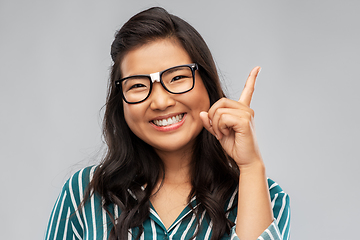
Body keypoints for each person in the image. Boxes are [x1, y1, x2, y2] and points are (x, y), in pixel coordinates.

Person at [45, 7, 290, 240]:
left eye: (178, 77)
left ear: (207, 83)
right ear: (120, 102)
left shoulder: (267, 196)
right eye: (138, 85)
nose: (161, 101)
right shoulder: (83, 194)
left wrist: (250, 166)